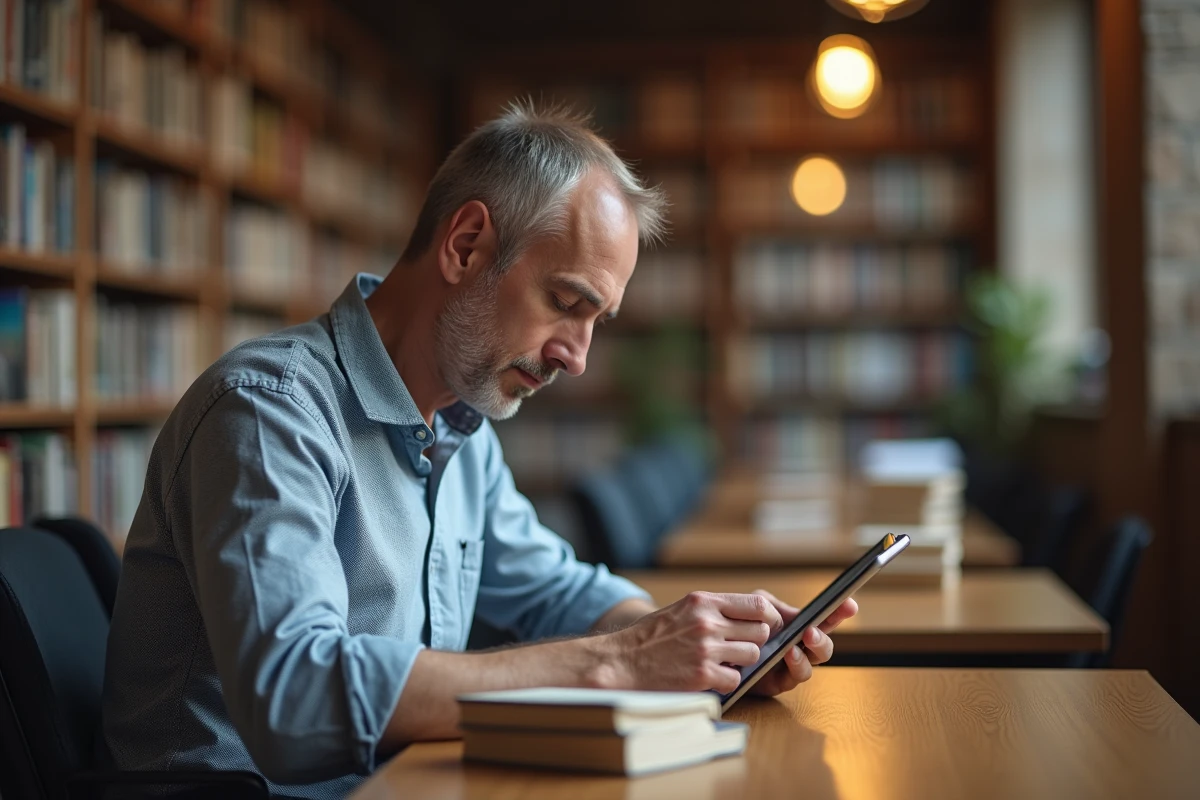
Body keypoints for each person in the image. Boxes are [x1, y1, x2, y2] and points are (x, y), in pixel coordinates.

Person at [101, 103, 858, 798]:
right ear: (466, 246)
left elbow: (554, 595)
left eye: (598, 320)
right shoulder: (270, 412)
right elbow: (294, 697)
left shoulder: (460, 425)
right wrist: (620, 663)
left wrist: (705, 652)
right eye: (567, 304)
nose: (578, 357)